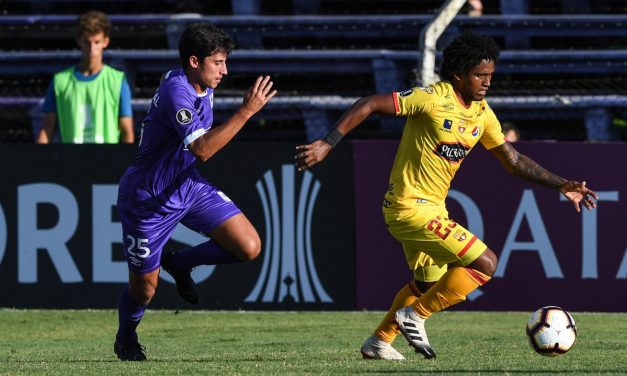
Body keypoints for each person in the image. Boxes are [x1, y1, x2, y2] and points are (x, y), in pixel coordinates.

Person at [295, 31, 598, 360]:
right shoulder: (433, 98)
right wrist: (328, 142)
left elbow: (513, 161)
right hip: (408, 208)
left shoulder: (481, 113)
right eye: (480, 75)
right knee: (485, 264)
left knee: (427, 284)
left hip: (433, 210)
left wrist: (561, 184)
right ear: (458, 75)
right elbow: (369, 103)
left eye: (490, 75)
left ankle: (379, 342)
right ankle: (415, 316)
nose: (486, 82)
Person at [114, 23, 277, 361]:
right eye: (218, 62)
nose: (225, 70)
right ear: (193, 61)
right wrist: (247, 111)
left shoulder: (199, 83)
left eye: (225, 61)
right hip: (147, 199)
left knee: (248, 247)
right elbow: (202, 148)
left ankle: (180, 263)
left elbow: (194, 153)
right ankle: (126, 337)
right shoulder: (178, 92)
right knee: (144, 290)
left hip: (186, 185)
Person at [37, 11, 134, 144]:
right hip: (71, 162)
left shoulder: (117, 81)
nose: (91, 49)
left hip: (107, 162)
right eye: (87, 42)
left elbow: (127, 133)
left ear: (105, 42)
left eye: (96, 42)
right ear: (79, 41)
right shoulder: (60, 81)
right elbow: (47, 128)